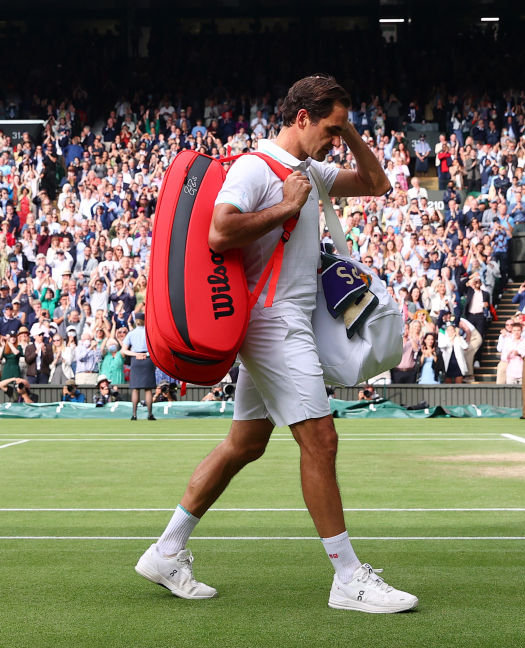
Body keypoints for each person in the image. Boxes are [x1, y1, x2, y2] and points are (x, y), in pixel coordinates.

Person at [135, 75, 417, 613]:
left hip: (288, 321)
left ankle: (166, 550)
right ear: (302, 118)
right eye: (330, 127)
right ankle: (348, 578)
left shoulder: (311, 169)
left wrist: (350, 131)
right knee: (321, 441)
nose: (335, 139)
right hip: (273, 324)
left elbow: (376, 183)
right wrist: (287, 208)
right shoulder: (255, 168)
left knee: (245, 444)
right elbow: (221, 230)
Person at [121, 312, 156, 421]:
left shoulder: (131, 333)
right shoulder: (149, 332)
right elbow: (155, 347)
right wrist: (146, 354)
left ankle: (134, 414)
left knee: (135, 389)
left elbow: (124, 350)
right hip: (147, 359)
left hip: (136, 360)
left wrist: (136, 354)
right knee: (148, 389)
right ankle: (150, 414)